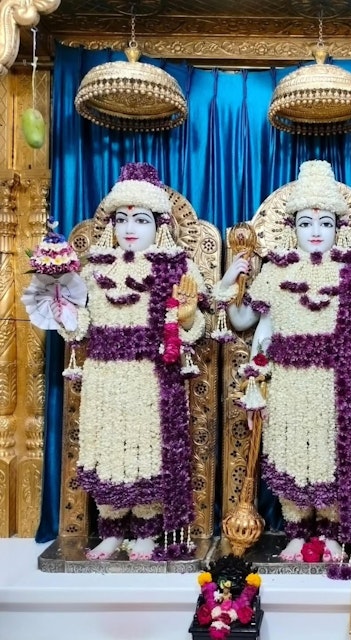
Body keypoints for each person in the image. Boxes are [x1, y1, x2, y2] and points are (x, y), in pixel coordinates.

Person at [212, 160, 351, 562]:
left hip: (337, 381)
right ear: (293, 228)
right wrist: (230, 280)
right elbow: (250, 324)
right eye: (306, 223)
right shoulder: (276, 272)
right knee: (290, 451)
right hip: (288, 380)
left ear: (338, 227)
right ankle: (296, 530)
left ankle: (329, 532)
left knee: (331, 455)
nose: (316, 232)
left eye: (325, 223)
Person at [53, 162, 208, 560]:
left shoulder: (176, 267)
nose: (129, 228)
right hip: (104, 375)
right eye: (121, 219)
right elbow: (80, 327)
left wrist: (186, 317)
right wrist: (63, 312)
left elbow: (195, 327)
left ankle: (146, 530)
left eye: (140, 220)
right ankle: (110, 528)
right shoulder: (93, 270)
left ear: (160, 225)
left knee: (146, 450)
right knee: (107, 449)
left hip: (150, 376)